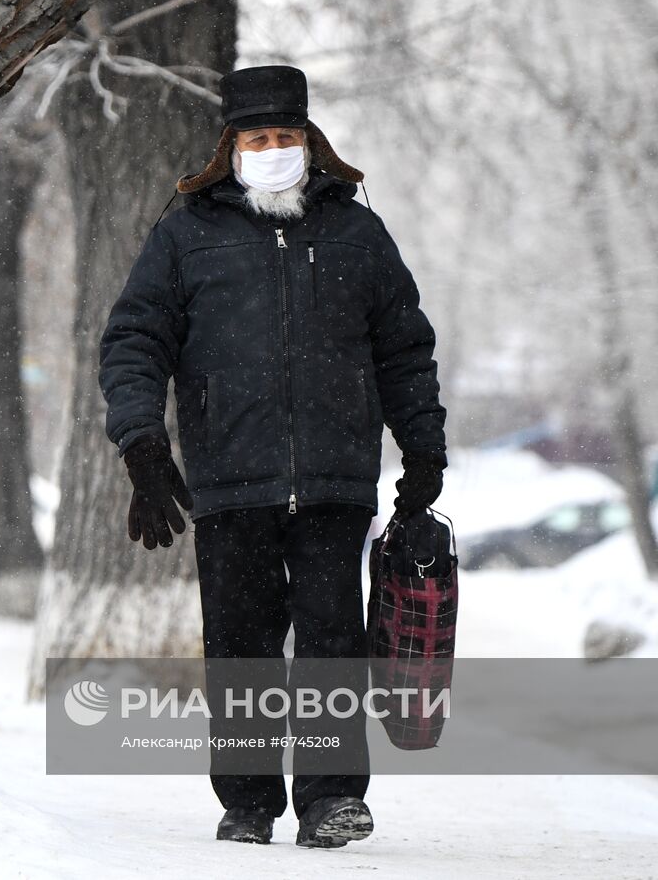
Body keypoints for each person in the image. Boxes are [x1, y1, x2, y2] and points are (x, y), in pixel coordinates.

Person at [98, 65, 447, 848]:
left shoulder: (356, 231)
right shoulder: (185, 233)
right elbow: (133, 341)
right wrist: (142, 442)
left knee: (332, 641)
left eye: (286, 136)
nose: (274, 148)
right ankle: (249, 803)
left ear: (310, 141)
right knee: (241, 645)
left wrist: (423, 444)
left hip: (334, 479)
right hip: (228, 479)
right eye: (258, 137)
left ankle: (329, 799)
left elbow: (404, 348)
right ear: (231, 147)